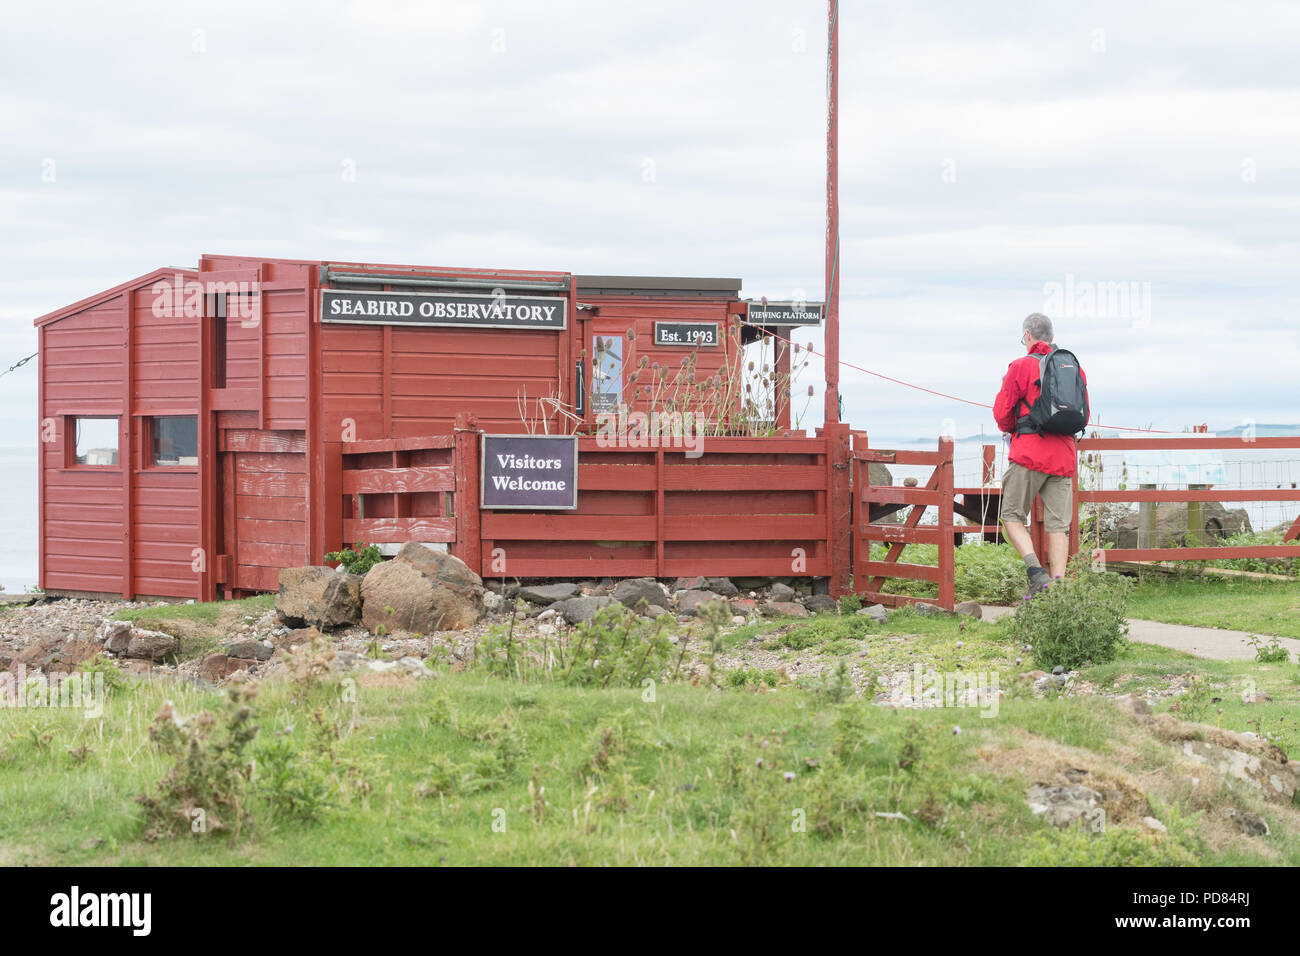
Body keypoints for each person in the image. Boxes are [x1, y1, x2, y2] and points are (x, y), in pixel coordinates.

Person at [993, 313, 1086, 593]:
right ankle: (1057, 586)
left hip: (1029, 455)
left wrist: (1016, 427)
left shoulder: (1019, 367)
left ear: (1027, 336)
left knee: (1011, 516)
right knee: (1059, 526)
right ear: (1052, 338)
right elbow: (1084, 414)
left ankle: (1036, 573)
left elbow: (1002, 416)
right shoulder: (1073, 368)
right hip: (1063, 456)